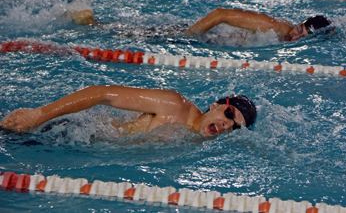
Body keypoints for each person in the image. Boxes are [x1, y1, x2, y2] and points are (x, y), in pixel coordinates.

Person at [0, 85, 257, 137]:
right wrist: (38, 115)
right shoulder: (174, 104)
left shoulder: (198, 140)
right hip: (67, 133)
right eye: (229, 114)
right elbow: (101, 94)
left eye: (236, 127)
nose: (227, 125)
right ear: (215, 106)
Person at [70, 8, 331, 42]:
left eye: (303, 35)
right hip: (204, 33)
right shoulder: (274, 27)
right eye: (299, 28)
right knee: (133, 37)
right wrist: (190, 35)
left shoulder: (290, 42)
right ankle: (91, 24)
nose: (296, 35)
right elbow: (220, 14)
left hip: (208, 40)